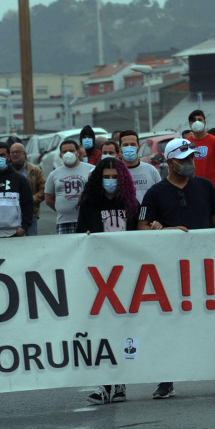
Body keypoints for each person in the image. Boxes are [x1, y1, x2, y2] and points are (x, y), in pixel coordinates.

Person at [137, 138, 215, 399]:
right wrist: (164, 230)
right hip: (169, 270)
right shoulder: (155, 193)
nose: (190, 163)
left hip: (204, 268)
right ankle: (166, 379)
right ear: (170, 162)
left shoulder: (206, 186)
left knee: (213, 320)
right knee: (169, 324)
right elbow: (142, 228)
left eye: (191, 158)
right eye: (184, 158)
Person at [75, 157, 139, 407]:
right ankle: (105, 383)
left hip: (126, 276)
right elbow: (80, 238)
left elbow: (141, 237)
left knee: (124, 330)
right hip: (100, 277)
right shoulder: (89, 204)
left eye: (115, 177)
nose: (110, 181)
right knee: (102, 330)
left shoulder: (131, 204)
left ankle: (120, 381)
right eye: (106, 176)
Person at [185, 109, 215, 218]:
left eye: (199, 119)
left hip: (213, 193)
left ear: (205, 122)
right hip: (191, 194)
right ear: (189, 124)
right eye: (193, 120)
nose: (197, 122)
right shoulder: (187, 143)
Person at [44, 138, 94, 233]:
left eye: (71, 151)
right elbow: (49, 199)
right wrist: (62, 209)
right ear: (60, 155)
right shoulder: (54, 174)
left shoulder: (91, 169)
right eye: (65, 151)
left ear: (78, 153)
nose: (68, 153)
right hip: (64, 221)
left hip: (87, 220)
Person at [9, 140, 46, 235]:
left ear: (24, 153)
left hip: (31, 214)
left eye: (17, 152)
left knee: (31, 243)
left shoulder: (35, 170)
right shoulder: (6, 171)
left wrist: (30, 199)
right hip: (10, 215)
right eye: (12, 152)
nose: (15, 155)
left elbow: (43, 189)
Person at [118, 129, 161, 203]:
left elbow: (160, 194)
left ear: (139, 147)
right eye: (125, 145)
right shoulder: (115, 172)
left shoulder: (151, 170)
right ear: (119, 148)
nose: (129, 148)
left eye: (132, 144)